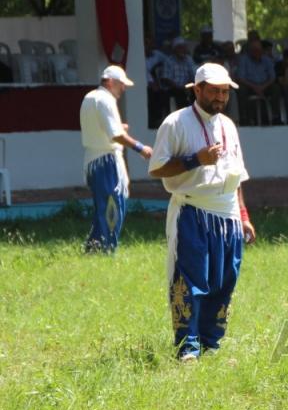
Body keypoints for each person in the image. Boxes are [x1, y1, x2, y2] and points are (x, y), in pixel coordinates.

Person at [149, 63, 256, 361]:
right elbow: (157, 168)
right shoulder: (176, 123)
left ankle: (211, 344)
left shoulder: (228, 125)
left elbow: (237, 175)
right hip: (193, 210)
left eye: (225, 92)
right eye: (214, 91)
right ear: (197, 90)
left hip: (228, 214)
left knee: (224, 281)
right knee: (190, 281)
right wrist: (194, 160)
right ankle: (188, 347)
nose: (220, 98)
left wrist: (244, 216)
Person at [79, 65, 153, 253]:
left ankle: (94, 249)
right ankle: (107, 249)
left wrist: (119, 128)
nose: (124, 88)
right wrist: (140, 148)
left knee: (102, 208)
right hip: (107, 161)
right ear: (111, 82)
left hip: (93, 161)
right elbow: (115, 135)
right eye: (121, 84)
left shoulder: (90, 97)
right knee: (113, 208)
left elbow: (102, 128)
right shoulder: (106, 100)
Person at [236, 39, 281, 125]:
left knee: (276, 88)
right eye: (254, 50)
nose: (257, 52)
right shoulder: (243, 59)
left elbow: (272, 77)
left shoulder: (266, 59)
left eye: (259, 50)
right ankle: (244, 118)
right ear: (250, 50)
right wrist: (255, 87)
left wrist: (262, 87)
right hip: (249, 85)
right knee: (241, 89)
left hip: (265, 85)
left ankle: (276, 116)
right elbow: (240, 78)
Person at [161, 37, 197, 109]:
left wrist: (188, 86)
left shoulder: (189, 59)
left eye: (184, 48)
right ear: (174, 49)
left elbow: (194, 76)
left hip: (186, 87)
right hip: (173, 88)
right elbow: (166, 79)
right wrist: (179, 87)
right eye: (179, 48)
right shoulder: (169, 60)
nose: (182, 50)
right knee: (179, 94)